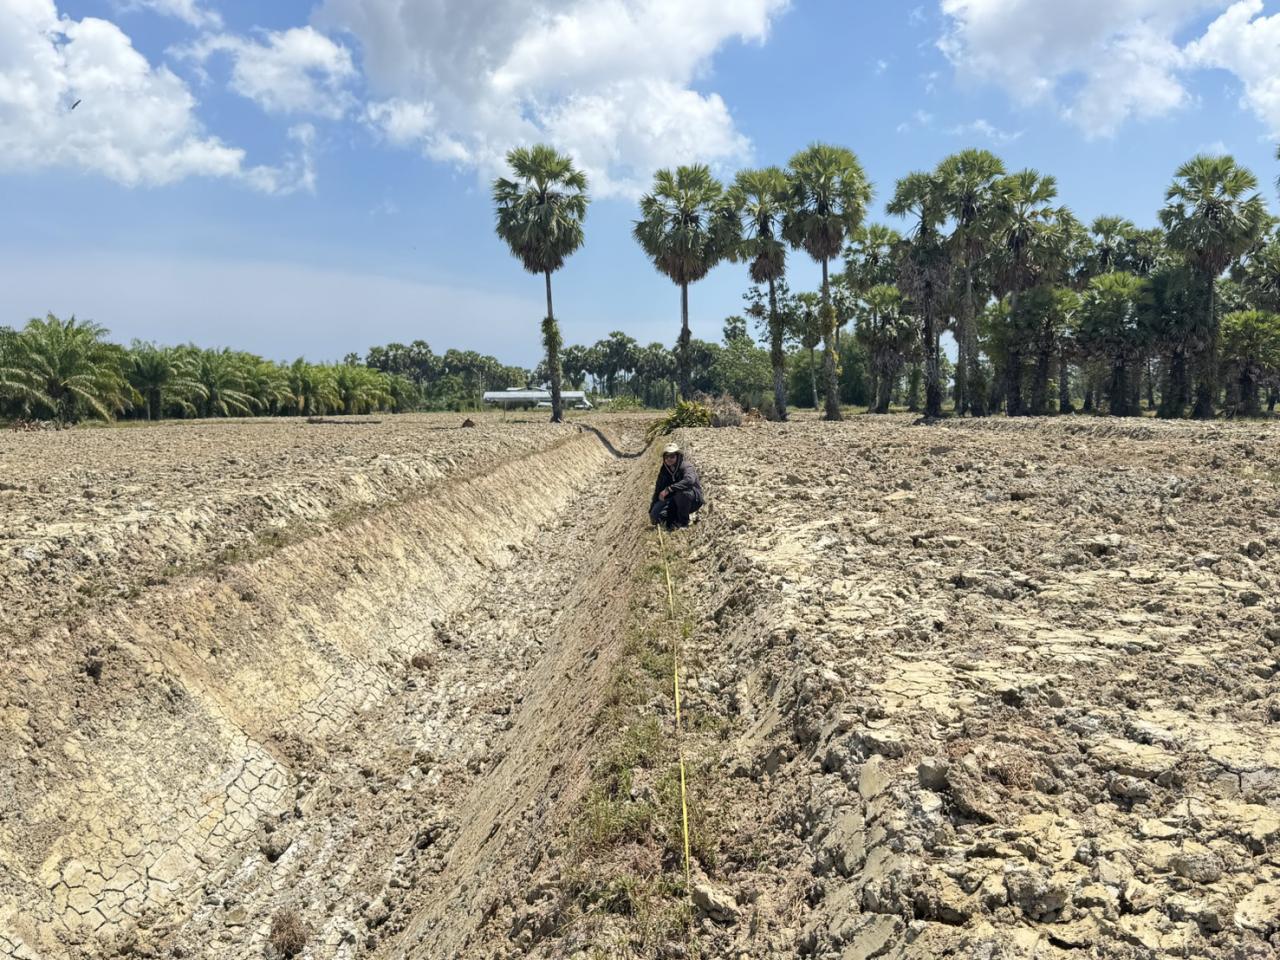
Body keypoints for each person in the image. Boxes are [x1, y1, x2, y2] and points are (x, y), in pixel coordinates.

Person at [650, 442, 704, 531]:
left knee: (683, 493)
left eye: (672, 456)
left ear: (678, 456)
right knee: (656, 516)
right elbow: (658, 489)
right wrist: (652, 509)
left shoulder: (686, 466)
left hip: (692, 499)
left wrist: (669, 489)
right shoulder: (664, 471)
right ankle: (674, 521)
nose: (669, 459)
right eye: (666, 456)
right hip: (674, 500)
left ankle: (684, 522)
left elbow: (689, 480)